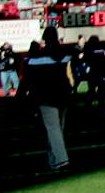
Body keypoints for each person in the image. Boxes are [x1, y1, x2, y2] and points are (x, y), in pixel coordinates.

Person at [21, 28, 74, 171]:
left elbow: (28, 79)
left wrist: (21, 96)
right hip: (63, 95)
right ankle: (53, 160)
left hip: (46, 97)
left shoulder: (37, 58)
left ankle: (61, 159)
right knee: (58, 129)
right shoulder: (65, 54)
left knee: (53, 129)